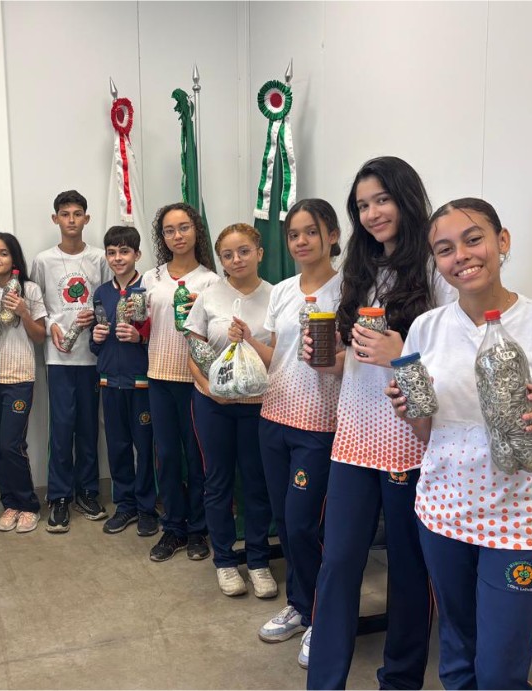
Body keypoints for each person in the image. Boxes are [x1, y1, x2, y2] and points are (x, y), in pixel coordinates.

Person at [386, 197, 532, 689]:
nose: (461, 256)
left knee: (500, 670)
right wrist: (411, 411)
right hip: (444, 511)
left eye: (473, 239)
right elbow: (427, 434)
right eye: (444, 249)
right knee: (457, 652)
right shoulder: (427, 328)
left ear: (502, 241)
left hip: (520, 519)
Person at [307, 157, 455, 689]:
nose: (372, 214)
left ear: (406, 199)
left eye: (382, 200)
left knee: (409, 571)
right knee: (338, 561)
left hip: (412, 441)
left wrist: (401, 355)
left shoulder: (438, 274)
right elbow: (354, 361)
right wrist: (329, 361)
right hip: (354, 437)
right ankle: (324, 681)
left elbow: (450, 372)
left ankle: (400, 680)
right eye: (363, 205)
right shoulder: (360, 270)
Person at [230, 199, 342, 666]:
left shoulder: (347, 289)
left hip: (320, 424)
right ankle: (299, 605)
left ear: (332, 235)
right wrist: (247, 339)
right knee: (285, 519)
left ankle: (322, 617)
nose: (300, 241)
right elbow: (276, 353)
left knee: (303, 523)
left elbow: (353, 360)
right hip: (274, 416)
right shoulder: (283, 291)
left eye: (310, 232)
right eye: (294, 234)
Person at [186, 223, 277, 598]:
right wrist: (210, 390)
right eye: (227, 254)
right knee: (218, 482)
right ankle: (224, 560)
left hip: (260, 407)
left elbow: (281, 356)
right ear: (220, 260)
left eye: (243, 251)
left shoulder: (275, 295)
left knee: (257, 483)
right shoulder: (209, 296)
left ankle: (257, 560)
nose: (236, 259)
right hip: (214, 406)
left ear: (259, 253)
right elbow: (194, 351)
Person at [30, 190, 113, 532]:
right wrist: (51, 325)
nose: (71, 220)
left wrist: (96, 317)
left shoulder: (99, 258)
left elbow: (108, 299)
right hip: (59, 357)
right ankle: (60, 496)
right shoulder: (43, 260)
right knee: (61, 428)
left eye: (78, 214)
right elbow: (36, 304)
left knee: (89, 427)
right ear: (56, 219)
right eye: (65, 214)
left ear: (86, 218)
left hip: (92, 356)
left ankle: (88, 491)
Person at [142, 202, 218, 562]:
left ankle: (198, 529)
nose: (177, 235)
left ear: (196, 231)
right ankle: (173, 527)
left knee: (197, 456)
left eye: (184, 227)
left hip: (196, 381)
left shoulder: (211, 281)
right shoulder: (151, 278)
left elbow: (215, 335)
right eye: (169, 230)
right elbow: (145, 326)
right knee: (168, 456)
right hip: (158, 377)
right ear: (162, 237)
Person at [0, 232, 47, 534]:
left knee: (11, 444)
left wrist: (24, 312)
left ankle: (29, 505)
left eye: (3, 253)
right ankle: (10, 504)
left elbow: (39, 336)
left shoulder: (29, 289)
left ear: (14, 258)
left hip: (18, 378)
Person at [90, 226, 158, 537]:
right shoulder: (101, 293)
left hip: (141, 382)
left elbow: (161, 337)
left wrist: (139, 338)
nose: (118, 258)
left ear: (137, 254)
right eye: (112, 252)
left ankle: (147, 508)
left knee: (144, 447)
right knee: (117, 447)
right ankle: (125, 505)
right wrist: (95, 338)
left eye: (124, 251)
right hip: (109, 381)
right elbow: (96, 345)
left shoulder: (148, 290)